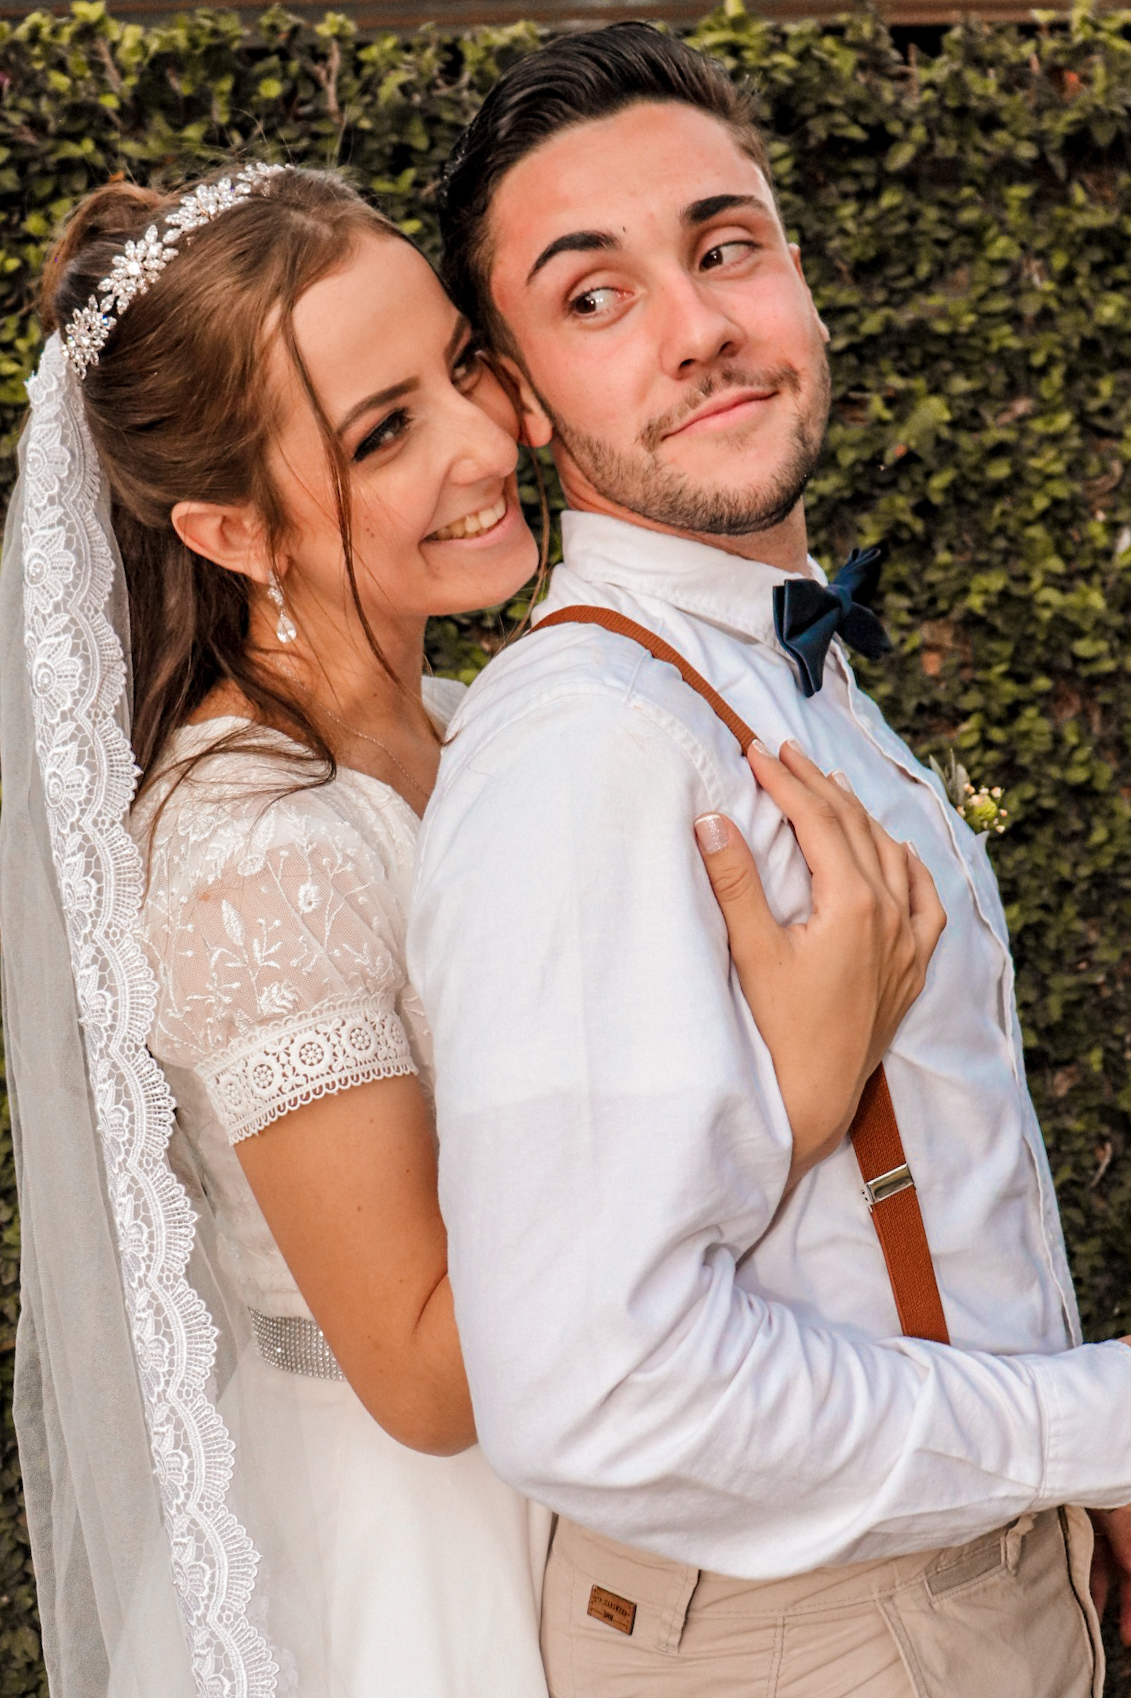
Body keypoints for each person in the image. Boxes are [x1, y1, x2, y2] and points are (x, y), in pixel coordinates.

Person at [0, 161, 937, 1696]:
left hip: (632, 1501)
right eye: (385, 432)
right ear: (230, 529)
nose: (489, 440)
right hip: (420, 1565)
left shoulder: (471, 723)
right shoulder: (253, 854)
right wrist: (789, 1096)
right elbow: (427, 1375)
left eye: (460, 365)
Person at [408, 24, 1131, 1697]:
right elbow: (599, 1392)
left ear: (797, 272)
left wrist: (1072, 1485)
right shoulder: (588, 747)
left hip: (957, 1584)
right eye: (596, 296)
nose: (701, 329)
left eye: (726, 248)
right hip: (817, 1638)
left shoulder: (763, 666)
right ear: (517, 398)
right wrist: (1090, 1421)